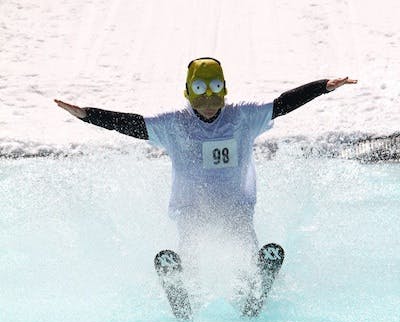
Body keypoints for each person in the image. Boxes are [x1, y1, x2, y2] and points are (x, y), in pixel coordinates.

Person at [55, 57, 357, 267]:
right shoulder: (174, 125)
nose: (209, 104)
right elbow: (131, 124)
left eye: (214, 95)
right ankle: (182, 282)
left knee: (243, 236)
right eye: (201, 95)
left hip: (235, 205)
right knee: (191, 241)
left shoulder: (243, 117)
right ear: (188, 93)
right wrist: (88, 115)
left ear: (224, 91)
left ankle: (257, 279)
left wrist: (323, 86)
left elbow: (282, 104)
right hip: (191, 206)